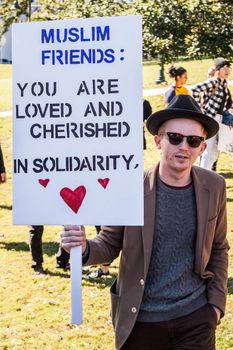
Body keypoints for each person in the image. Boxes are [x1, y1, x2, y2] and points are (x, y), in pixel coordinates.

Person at [61, 95, 229, 350]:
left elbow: (218, 247)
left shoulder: (214, 185)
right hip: (140, 320)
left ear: (202, 148)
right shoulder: (130, 188)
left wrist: (215, 306)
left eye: (193, 141)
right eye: (174, 138)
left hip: (196, 320)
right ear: (157, 141)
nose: (183, 147)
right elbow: (109, 243)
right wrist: (82, 248)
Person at [191, 57, 232, 170]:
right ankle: (203, 176)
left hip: (219, 118)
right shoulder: (213, 81)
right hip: (210, 118)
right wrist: (199, 108)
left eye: (228, 67)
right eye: (224, 67)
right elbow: (194, 89)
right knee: (208, 152)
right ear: (218, 69)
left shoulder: (223, 84)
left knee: (213, 152)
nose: (227, 70)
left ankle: (207, 175)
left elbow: (223, 105)